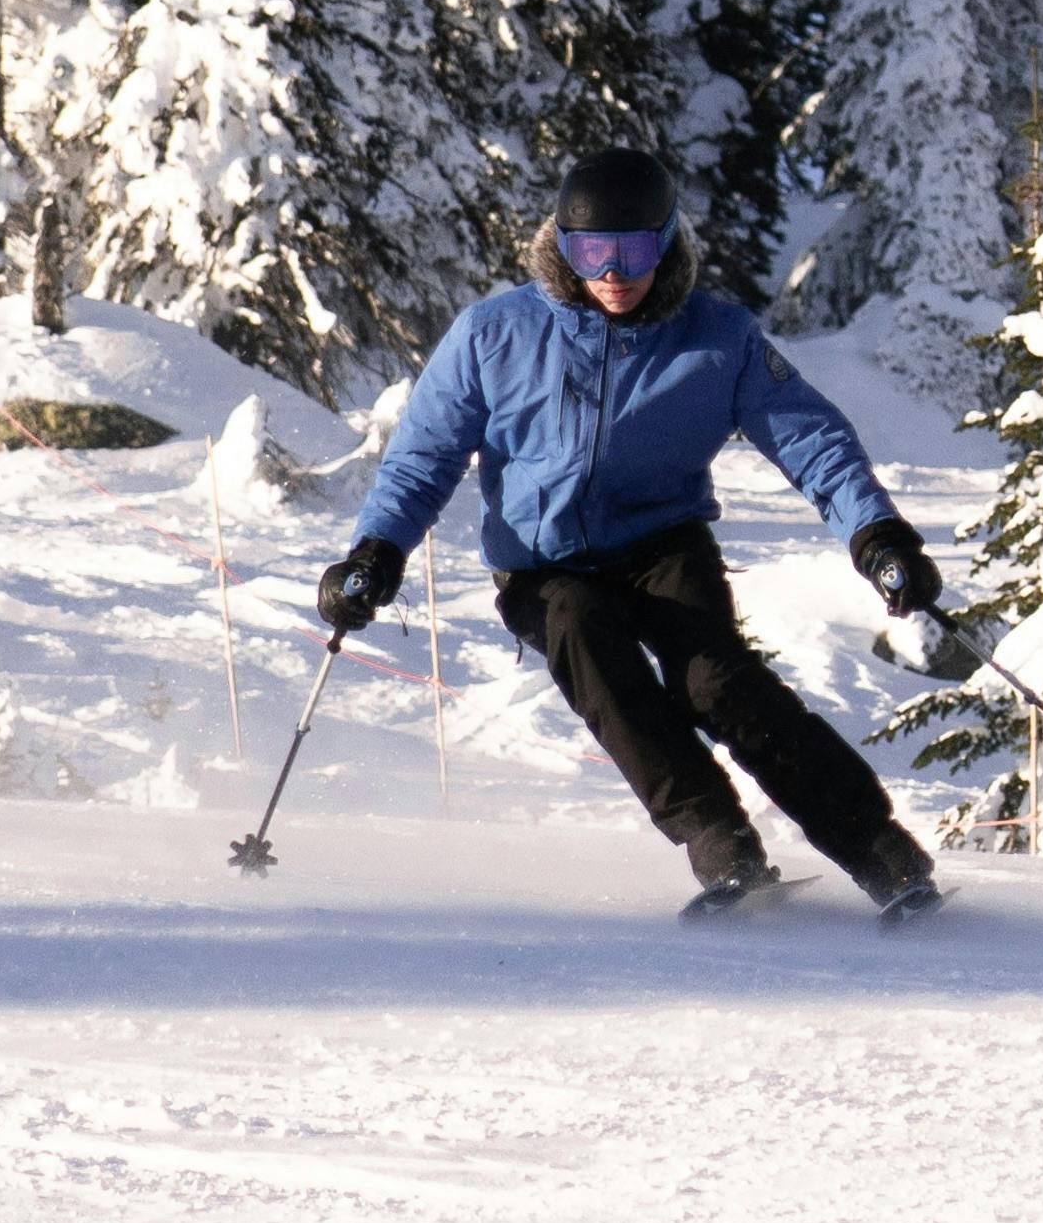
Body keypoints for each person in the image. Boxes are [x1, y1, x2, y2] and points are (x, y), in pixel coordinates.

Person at [317, 147, 945, 920]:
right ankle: (723, 846)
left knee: (717, 681)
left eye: (634, 250)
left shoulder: (717, 338)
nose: (614, 272)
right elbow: (423, 457)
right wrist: (375, 553)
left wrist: (878, 535)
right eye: (592, 252)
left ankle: (884, 856)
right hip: (543, 565)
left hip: (661, 546)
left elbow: (812, 439)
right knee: (587, 638)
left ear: (668, 242)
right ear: (562, 246)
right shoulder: (494, 334)